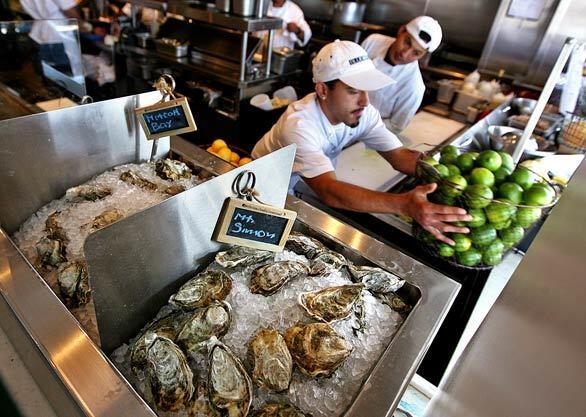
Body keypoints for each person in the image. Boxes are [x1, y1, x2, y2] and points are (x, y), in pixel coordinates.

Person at [252, 40, 470, 244]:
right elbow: (329, 190)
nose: (365, 101)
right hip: (263, 186)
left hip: (305, 183)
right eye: (354, 91)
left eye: (366, 90)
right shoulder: (299, 125)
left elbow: (399, 156)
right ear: (323, 90)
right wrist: (404, 204)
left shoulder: (362, 112)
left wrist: (450, 178)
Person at [361, 16, 442, 135]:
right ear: (401, 30)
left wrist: (358, 127)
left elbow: (395, 126)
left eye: (416, 53)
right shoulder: (373, 41)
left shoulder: (414, 87)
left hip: (364, 135)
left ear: (423, 56)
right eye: (407, 42)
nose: (405, 54)